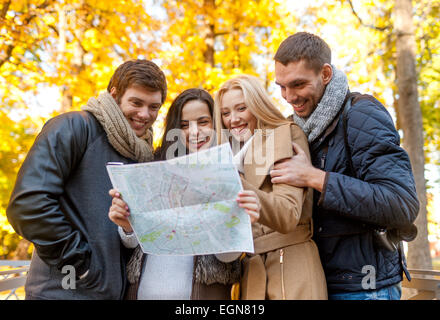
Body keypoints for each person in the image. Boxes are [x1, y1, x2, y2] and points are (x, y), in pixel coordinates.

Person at [270, 32, 420, 300]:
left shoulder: (362, 114)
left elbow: (402, 203)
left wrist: (316, 178)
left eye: (298, 84)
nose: (289, 96)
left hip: (365, 290)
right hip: (317, 284)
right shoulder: (296, 129)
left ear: (325, 74)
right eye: (282, 86)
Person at [6, 59, 167, 299]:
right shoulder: (73, 127)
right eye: (136, 102)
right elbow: (28, 206)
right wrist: (82, 265)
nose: (145, 114)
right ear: (114, 95)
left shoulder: (141, 153)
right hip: (60, 293)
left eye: (154, 107)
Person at [108, 88, 261, 300]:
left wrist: (235, 224)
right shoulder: (152, 167)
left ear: (216, 123)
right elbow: (133, 244)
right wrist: (126, 226)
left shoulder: (232, 173)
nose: (194, 132)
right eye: (184, 125)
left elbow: (228, 257)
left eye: (203, 121)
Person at [215, 75, 327, 300]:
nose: (233, 119)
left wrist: (231, 181)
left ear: (257, 105)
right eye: (226, 113)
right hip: (251, 271)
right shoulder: (227, 156)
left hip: (291, 265)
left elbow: (287, 214)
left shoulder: (284, 133)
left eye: (241, 108)